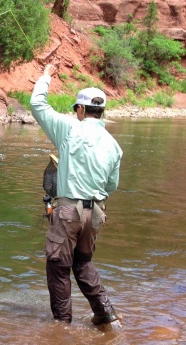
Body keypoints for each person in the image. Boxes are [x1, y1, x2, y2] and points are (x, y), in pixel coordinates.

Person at [30, 63, 122, 326]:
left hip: (69, 212)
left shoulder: (70, 128)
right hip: (96, 213)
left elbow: (37, 104)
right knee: (83, 264)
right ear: (102, 112)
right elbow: (111, 187)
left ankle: (62, 327)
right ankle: (105, 314)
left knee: (58, 267)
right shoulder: (114, 146)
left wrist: (46, 75)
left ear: (80, 110)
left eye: (76, 109)